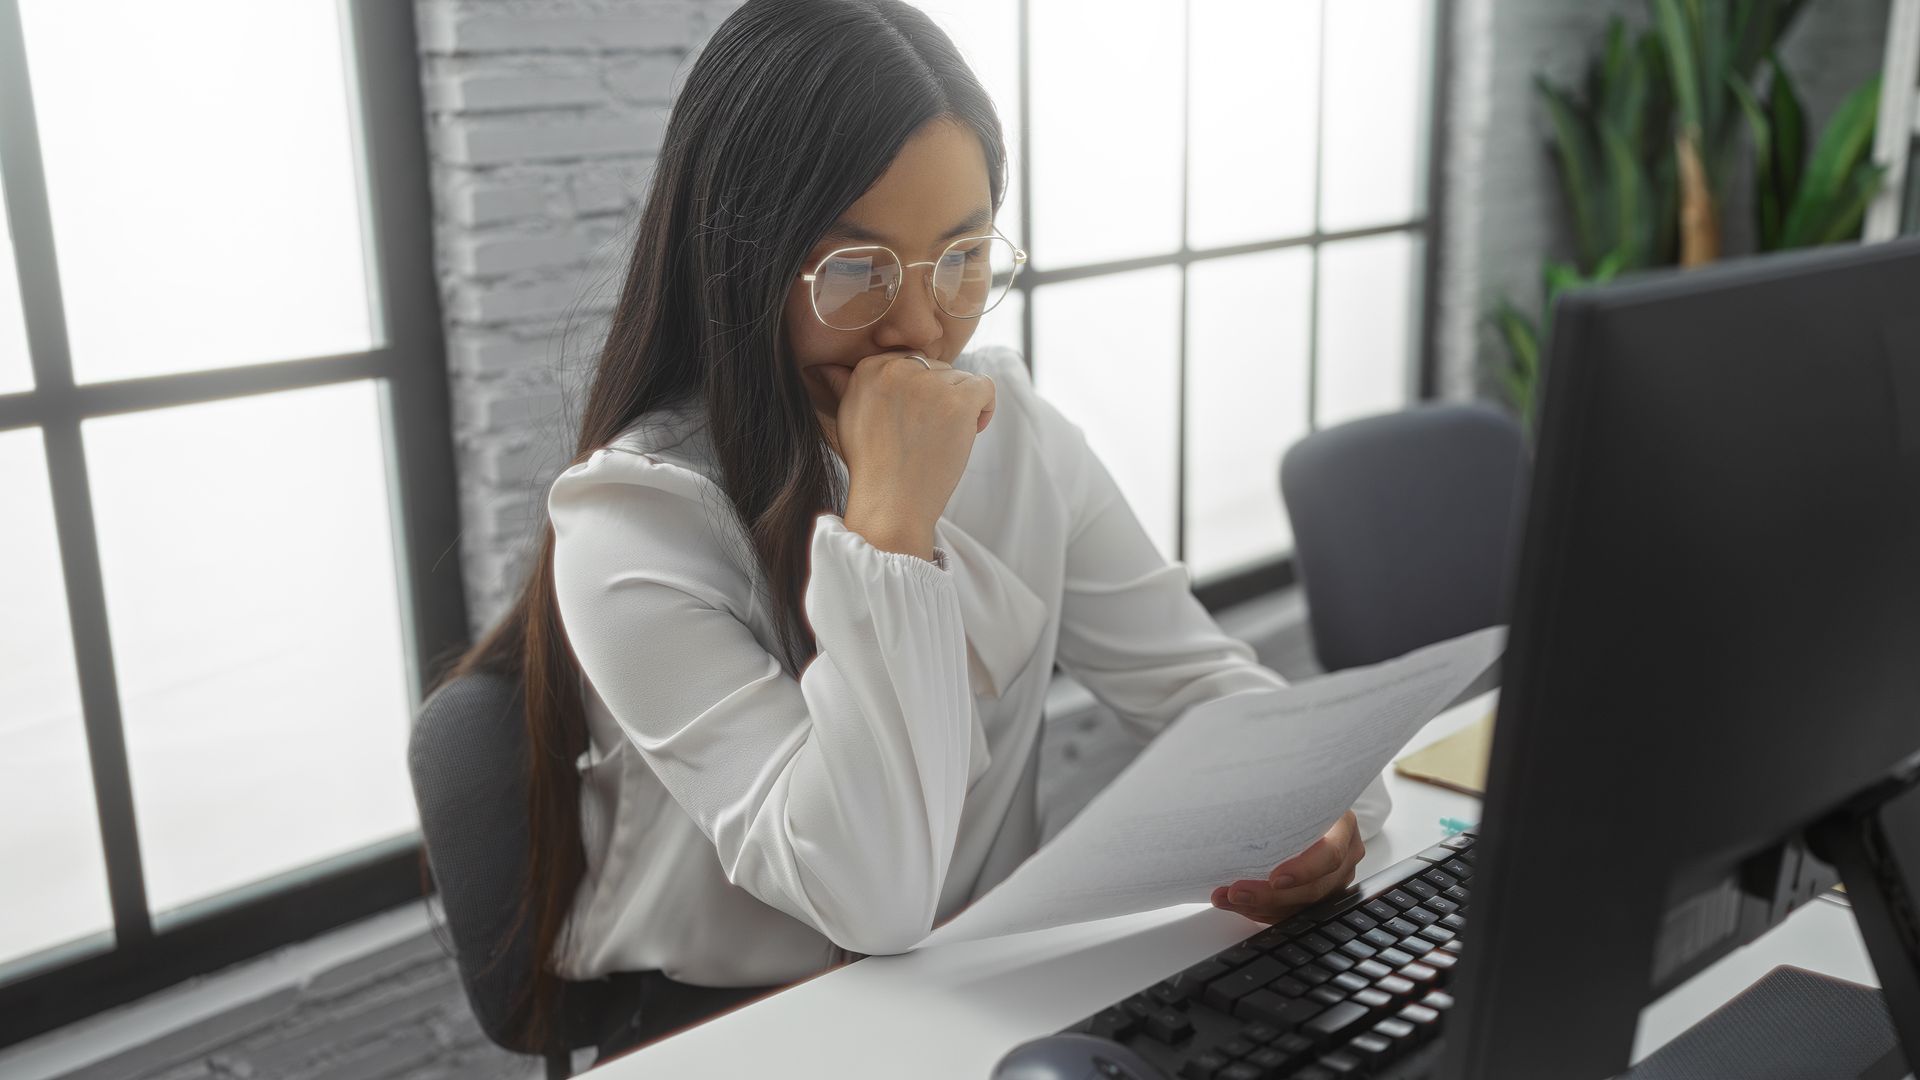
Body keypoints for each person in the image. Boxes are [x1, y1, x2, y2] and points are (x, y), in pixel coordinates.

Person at [435, 0, 1392, 1055]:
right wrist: (890, 524)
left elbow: (1204, 690)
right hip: (745, 1035)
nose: (924, 326)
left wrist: (1314, 809)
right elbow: (875, 898)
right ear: (737, 258)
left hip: (985, 996)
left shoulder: (1014, 428)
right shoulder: (631, 517)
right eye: (856, 270)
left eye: (964, 257)